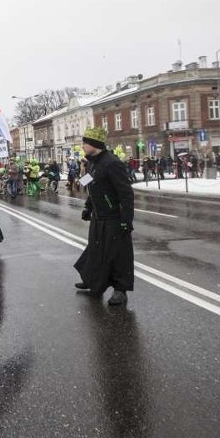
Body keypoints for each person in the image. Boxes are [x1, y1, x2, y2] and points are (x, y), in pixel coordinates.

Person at [73, 126, 135, 306]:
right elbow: (93, 188)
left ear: (95, 144)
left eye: (85, 143)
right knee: (95, 250)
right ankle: (93, 281)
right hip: (98, 216)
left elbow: (126, 194)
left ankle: (120, 290)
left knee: (117, 254)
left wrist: (126, 220)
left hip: (113, 218)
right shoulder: (93, 163)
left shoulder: (112, 163)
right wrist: (87, 207)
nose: (82, 146)